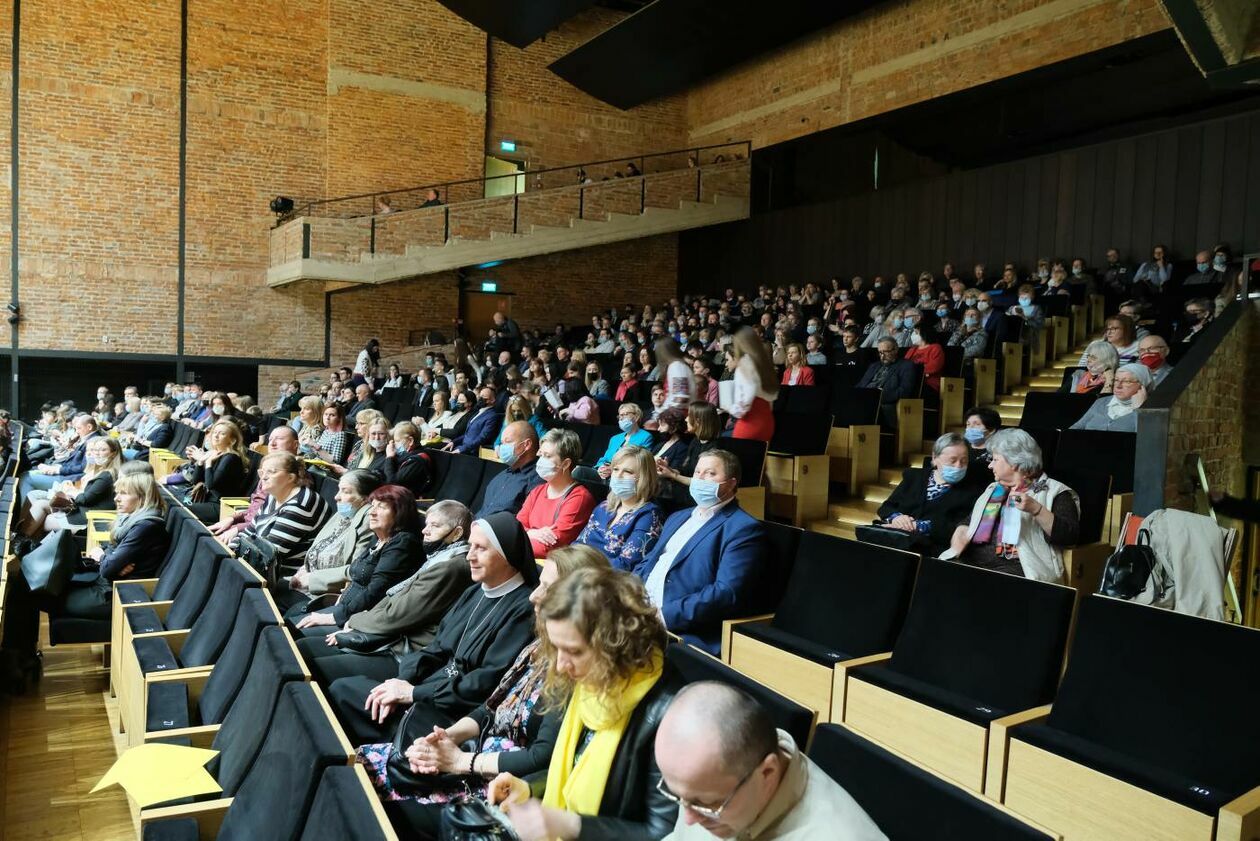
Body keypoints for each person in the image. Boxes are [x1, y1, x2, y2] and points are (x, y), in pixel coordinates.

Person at [357, 544, 609, 839]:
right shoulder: (539, 646)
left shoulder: (575, 666)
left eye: (548, 588)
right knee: (362, 767)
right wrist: (449, 737)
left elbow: (542, 756)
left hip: (501, 781)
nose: (533, 595)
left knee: (373, 799)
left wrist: (460, 762)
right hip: (477, 751)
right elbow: (490, 707)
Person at [485, 566, 682, 841]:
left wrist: (571, 825)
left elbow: (664, 834)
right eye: (557, 648)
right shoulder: (594, 680)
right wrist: (529, 789)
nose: (561, 665)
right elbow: (575, 771)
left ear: (616, 643)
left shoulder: (671, 717)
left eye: (574, 651)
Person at [327, 512, 539, 745]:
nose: (470, 556)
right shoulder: (475, 591)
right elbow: (436, 647)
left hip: (454, 711)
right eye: (470, 547)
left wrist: (413, 694)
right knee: (348, 690)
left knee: (344, 693)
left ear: (508, 554)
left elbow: (484, 683)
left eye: (481, 548)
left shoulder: (524, 609)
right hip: (429, 687)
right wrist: (401, 682)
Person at [656, 682, 885, 841]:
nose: (689, 819)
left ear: (767, 773)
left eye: (706, 804)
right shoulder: (702, 780)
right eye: (676, 796)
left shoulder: (841, 834)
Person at [0, 472, 170, 675]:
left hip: (112, 595)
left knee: (24, 593)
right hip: (106, 582)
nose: (116, 498)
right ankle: (22, 656)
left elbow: (107, 565)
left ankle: (15, 663)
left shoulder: (146, 526)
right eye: (117, 493)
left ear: (142, 497)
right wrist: (109, 557)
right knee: (23, 583)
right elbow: (110, 552)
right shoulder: (134, 520)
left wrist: (105, 557)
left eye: (124, 494)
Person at [633, 450, 765, 655]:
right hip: (639, 608)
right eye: (697, 472)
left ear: (731, 484)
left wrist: (662, 615)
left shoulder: (743, 528)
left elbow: (725, 592)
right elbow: (649, 561)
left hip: (679, 627)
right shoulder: (678, 516)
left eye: (710, 474)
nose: (700, 478)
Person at [944, 428, 1080, 582]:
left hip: (1018, 570)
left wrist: (1036, 509)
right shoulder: (994, 489)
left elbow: (1068, 537)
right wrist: (960, 534)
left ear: (1014, 462)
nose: (990, 466)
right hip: (973, 562)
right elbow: (970, 521)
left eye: (995, 460)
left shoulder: (1056, 493)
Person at [293, 485, 425, 635]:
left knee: (293, 631)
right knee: (291, 619)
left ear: (400, 513)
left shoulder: (403, 543)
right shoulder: (380, 537)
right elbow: (357, 572)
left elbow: (377, 590)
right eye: (372, 506)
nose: (372, 512)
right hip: (346, 608)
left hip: (363, 618)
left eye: (381, 507)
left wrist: (334, 616)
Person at [275, 469, 380, 612]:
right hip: (305, 584)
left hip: (326, 595)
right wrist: (304, 569)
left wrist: (311, 579)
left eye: (346, 491)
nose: (337, 497)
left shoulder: (368, 521)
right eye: (339, 490)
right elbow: (318, 549)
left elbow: (355, 572)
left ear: (367, 499)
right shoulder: (343, 514)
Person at [875, 433, 983, 557]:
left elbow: (958, 527)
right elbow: (886, 507)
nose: (958, 466)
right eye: (952, 461)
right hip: (894, 538)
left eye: (964, 461)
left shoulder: (973, 492)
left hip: (929, 549)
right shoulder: (913, 476)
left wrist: (920, 526)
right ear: (935, 457)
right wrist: (897, 517)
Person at [233, 452, 332, 574]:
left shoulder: (300, 504)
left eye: (271, 472)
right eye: (262, 472)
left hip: (286, 575)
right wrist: (231, 550)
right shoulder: (273, 496)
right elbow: (248, 532)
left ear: (291, 477)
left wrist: (233, 556)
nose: (263, 477)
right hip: (260, 565)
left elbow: (270, 554)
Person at [576, 446, 663, 572]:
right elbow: (578, 544)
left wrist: (579, 569)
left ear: (644, 477)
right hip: (577, 572)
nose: (618, 476)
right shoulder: (604, 506)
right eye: (616, 469)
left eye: (627, 471)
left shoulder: (649, 515)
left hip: (607, 583)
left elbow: (625, 565)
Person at [518, 430, 599, 558]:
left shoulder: (580, 498)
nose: (540, 461)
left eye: (548, 456)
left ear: (566, 463)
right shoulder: (537, 491)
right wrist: (532, 533)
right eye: (541, 455)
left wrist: (520, 537)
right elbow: (516, 526)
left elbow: (550, 547)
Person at [23, 436, 121, 535]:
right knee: (39, 505)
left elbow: (85, 499)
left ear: (113, 453)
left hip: (88, 518)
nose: (96, 453)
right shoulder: (102, 470)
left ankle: (23, 543)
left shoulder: (107, 475)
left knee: (42, 521)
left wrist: (71, 491)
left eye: (103, 450)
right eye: (96, 450)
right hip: (80, 510)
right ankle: (21, 539)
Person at [181, 419, 251, 523]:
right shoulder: (213, 453)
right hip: (206, 500)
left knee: (181, 509)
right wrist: (200, 461)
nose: (216, 436)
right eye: (214, 432)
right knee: (175, 503)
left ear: (232, 440)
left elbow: (210, 485)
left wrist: (208, 462)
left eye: (222, 433)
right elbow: (195, 481)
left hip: (221, 506)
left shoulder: (231, 457)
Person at [1070, 363, 1150, 433]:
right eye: (1116, 380)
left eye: (1127, 381)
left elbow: (1145, 439)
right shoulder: (1101, 401)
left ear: (1142, 385)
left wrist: (1140, 410)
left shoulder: (1151, 409)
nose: (1118, 386)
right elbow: (1076, 428)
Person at [857, 339, 917, 427]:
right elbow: (861, 384)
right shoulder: (874, 365)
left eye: (886, 352)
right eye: (880, 352)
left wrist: (879, 396)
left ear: (895, 349)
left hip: (883, 400)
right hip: (865, 397)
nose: (882, 356)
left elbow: (904, 390)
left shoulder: (906, 366)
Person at [445, 386, 503, 455]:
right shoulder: (478, 412)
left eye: (484, 396)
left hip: (471, 452)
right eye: (480, 395)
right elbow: (468, 434)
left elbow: (482, 438)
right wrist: (454, 442)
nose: (480, 398)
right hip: (461, 447)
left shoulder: (492, 416)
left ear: (492, 400)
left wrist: (463, 449)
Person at [1170, 297, 1213, 365]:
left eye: (1193, 311)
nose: (1189, 314)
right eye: (1187, 312)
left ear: (1206, 313)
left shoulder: (1211, 329)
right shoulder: (1181, 328)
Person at [657, 337, 697, 412]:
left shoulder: (677, 366)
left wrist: (664, 412)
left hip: (680, 415)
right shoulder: (675, 365)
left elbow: (681, 397)